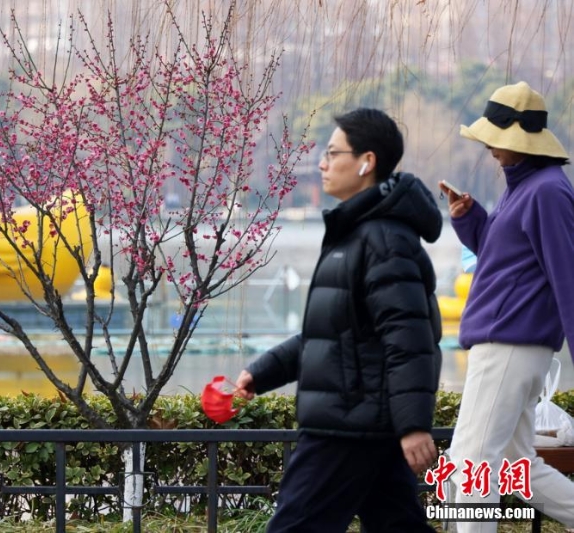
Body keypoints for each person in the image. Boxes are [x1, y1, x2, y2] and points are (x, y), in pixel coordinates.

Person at [235, 108, 442, 532]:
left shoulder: (383, 239)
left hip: (348, 424)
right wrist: (261, 373)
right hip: (361, 421)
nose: (322, 164)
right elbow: (332, 333)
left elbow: (409, 338)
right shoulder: (358, 233)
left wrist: (414, 425)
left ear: (366, 162)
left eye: (332, 153)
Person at [441, 81, 574, 532]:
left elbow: (567, 277)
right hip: (509, 344)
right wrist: (469, 219)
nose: (489, 147)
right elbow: (503, 263)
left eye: (494, 139)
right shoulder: (526, 188)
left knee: (471, 465)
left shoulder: (546, 191)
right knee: (518, 467)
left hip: (510, 347)